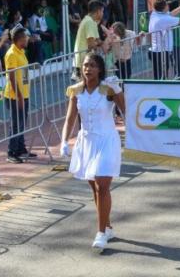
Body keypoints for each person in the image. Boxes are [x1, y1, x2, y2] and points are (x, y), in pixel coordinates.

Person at [60, 54, 125, 251]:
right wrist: (64, 141)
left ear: (100, 69)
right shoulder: (75, 91)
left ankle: (101, 233)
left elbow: (126, 111)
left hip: (106, 140)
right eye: (85, 65)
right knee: (95, 188)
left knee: (102, 184)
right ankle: (107, 226)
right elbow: (70, 119)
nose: (88, 68)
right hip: (86, 142)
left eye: (92, 65)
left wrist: (118, 91)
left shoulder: (108, 89)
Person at [4, 27, 36, 163]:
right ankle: (11, 152)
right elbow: (11, 77)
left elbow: (23, 73)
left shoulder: (21, 51)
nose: (27, 39)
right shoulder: (11, 54)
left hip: (24, 93)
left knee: (22, 123)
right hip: (15, 96)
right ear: (19, 39)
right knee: (16, 124)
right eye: (25, 37)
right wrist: (19, 96)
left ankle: (21, 148)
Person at [148, 0, 180, 80]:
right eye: (166, 5)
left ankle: (160, 91)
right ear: (164, 8)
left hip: (157, 51)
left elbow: (171, 14)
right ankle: (161, 92)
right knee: (162, 77)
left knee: (160, 76)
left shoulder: (155, 14)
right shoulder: (164, 19)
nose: (168, 5)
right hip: (161, 52)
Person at [73, 0, 104, 80]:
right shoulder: (89, 22)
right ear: (98, 11)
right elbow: (91, 44)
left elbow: (98, 40)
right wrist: (101, 44)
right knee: (83, 88)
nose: (103, 14)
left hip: (86, 61)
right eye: (102, 11)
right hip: (83, 61)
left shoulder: (91, 22)